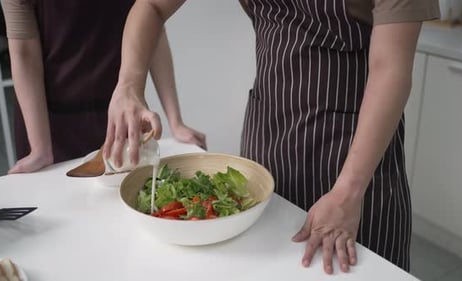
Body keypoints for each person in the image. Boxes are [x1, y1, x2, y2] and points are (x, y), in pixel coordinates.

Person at [103, 0, 439, 274]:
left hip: (351, 163)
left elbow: (391, 69)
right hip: (267, 145)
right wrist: (129, 85)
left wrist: (348, 192)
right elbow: (151, 6)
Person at [0, 0, 206, 174]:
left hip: (118, 113)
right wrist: (40, 148)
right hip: (47, 118)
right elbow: (24, 52)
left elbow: (153, 29)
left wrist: (175, 121)